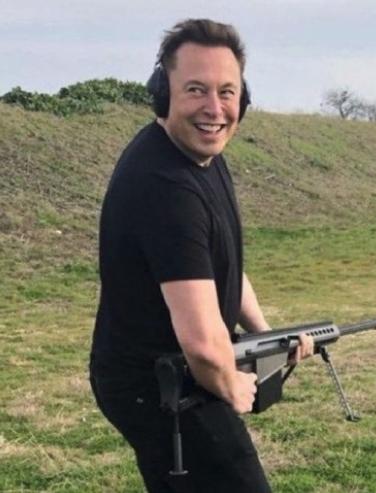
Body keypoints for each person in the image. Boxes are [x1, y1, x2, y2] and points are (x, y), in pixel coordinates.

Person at [89, 18, 314, 493]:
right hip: (159, 383)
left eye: (227, 92)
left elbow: (221, 266)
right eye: (196, 90)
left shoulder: (204, 157)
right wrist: (232, 383)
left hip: (172, 370)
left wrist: (268, 336)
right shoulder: (167, 187)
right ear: (162, 94)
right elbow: (203, 344)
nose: (214, 109)